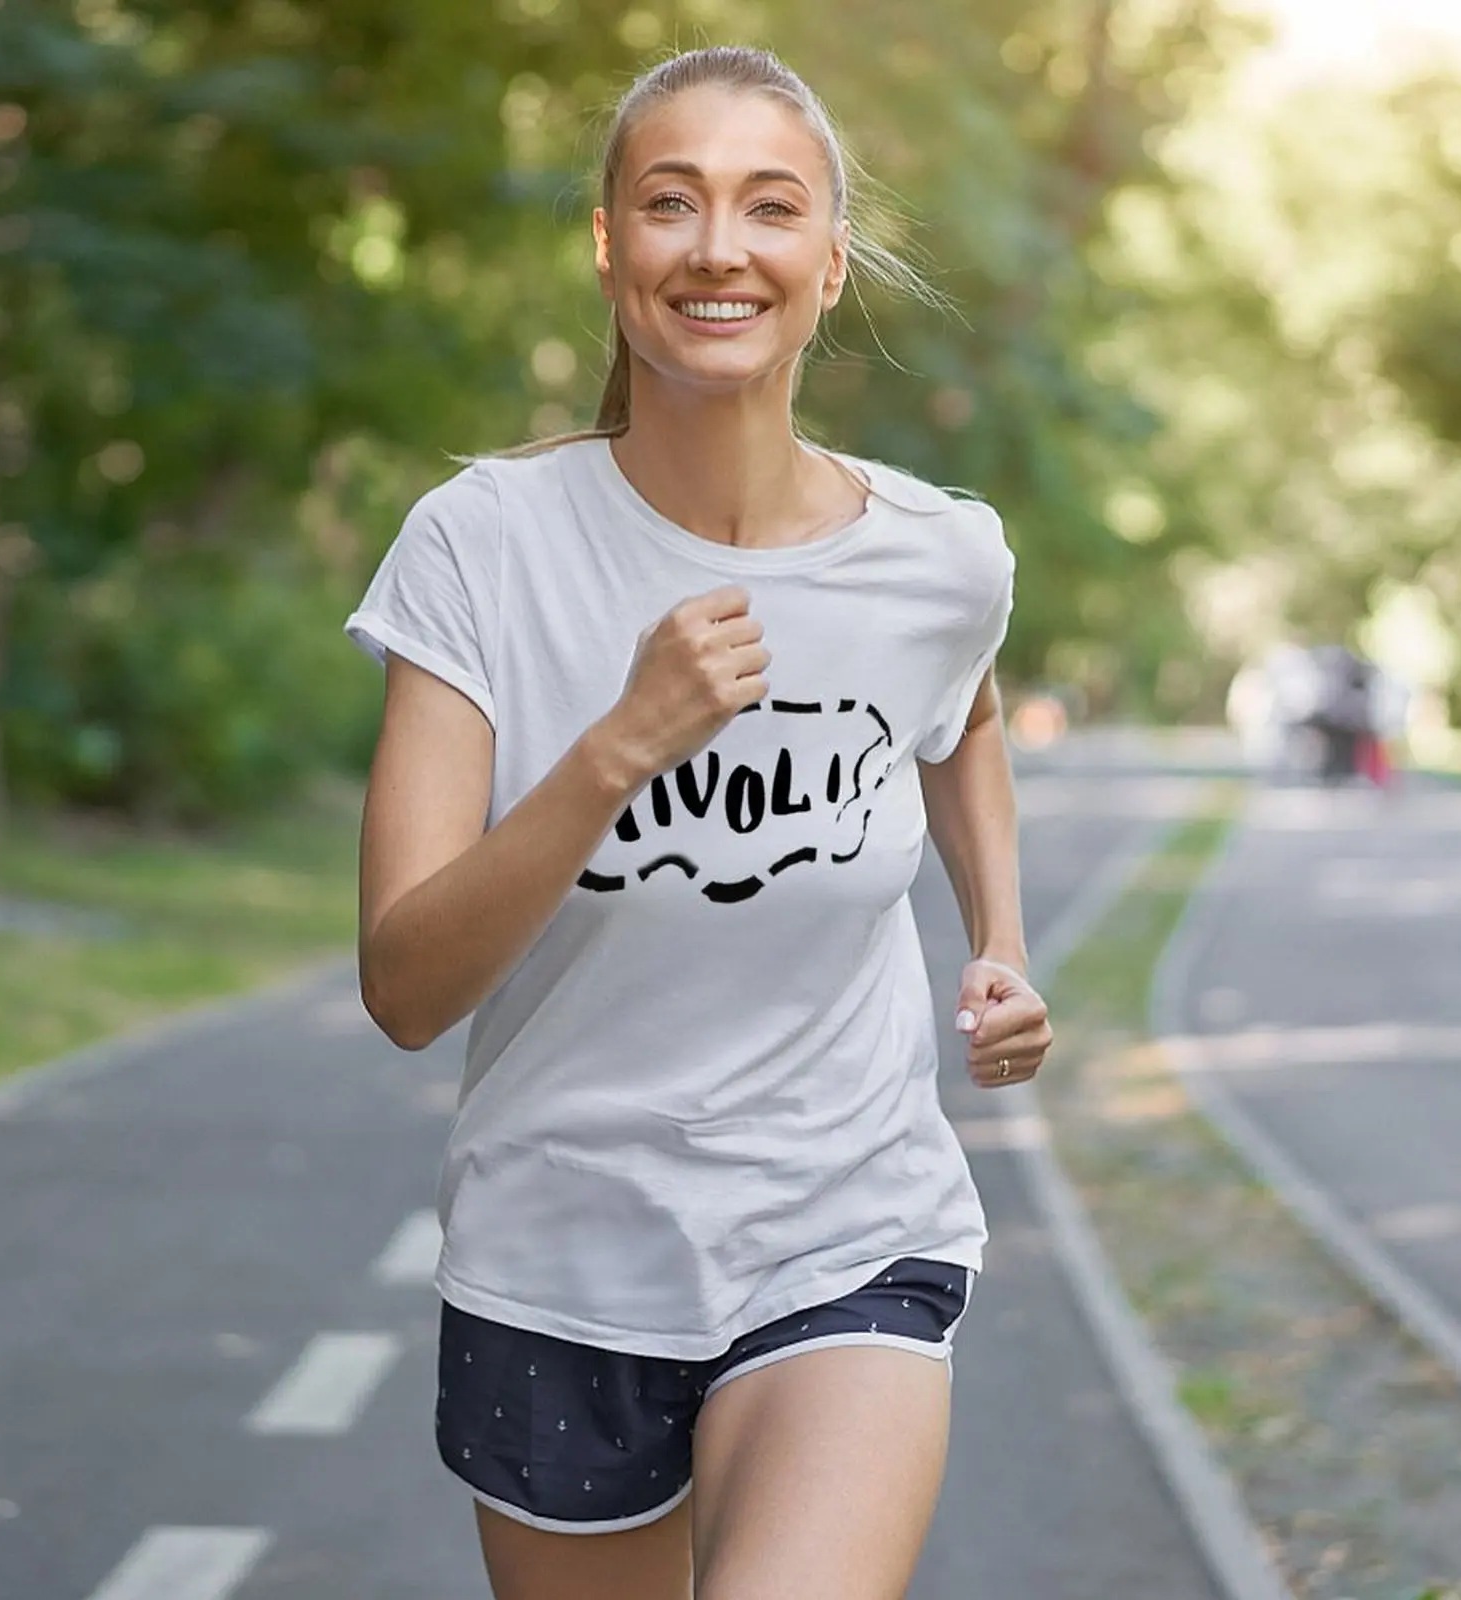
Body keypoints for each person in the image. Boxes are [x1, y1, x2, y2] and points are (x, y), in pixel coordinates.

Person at [345, 44, 1052, 1600]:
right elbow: (404, 987)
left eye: (768, 207)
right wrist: (619, 747)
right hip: (559, 1264)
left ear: (827, 260)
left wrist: (999, 936)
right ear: (611, 247)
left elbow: (968, 711)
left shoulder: (940, 558)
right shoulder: (482, 548)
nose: (719, 246)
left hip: (847, 1229)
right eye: (672, 203)